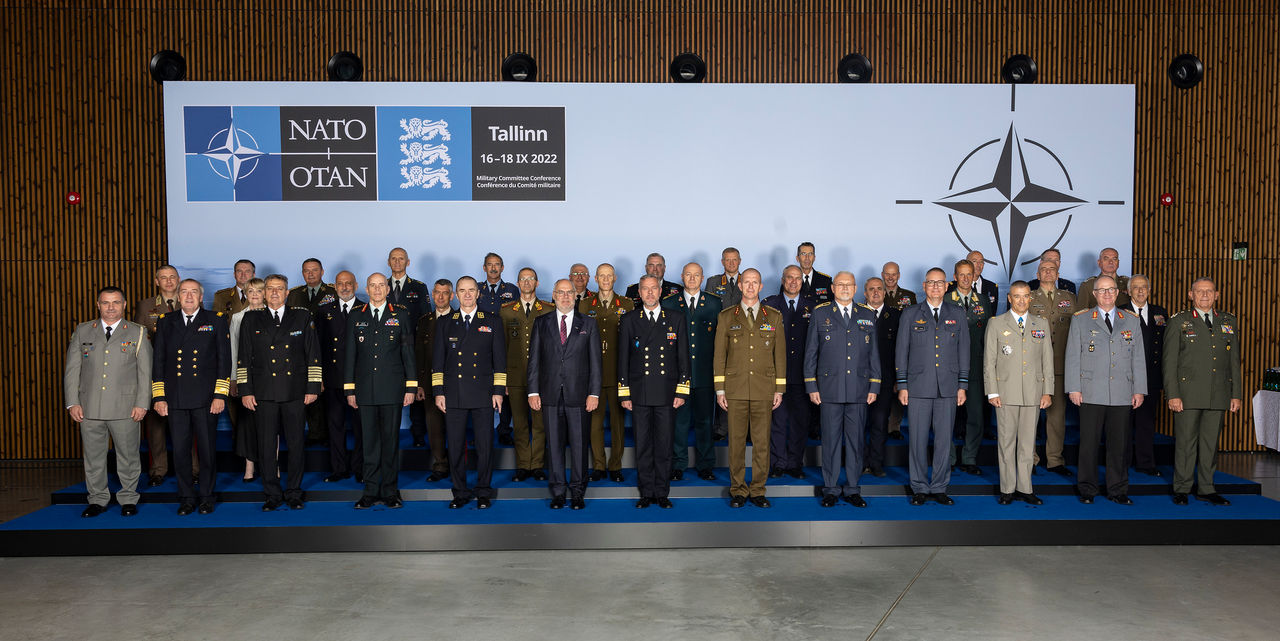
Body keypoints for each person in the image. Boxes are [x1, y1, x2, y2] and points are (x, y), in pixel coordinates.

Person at [64, 286, 152, 517]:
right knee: (93, 458)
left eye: (116, 302)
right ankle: (97, 499)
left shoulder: (137, 332)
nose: (111, 307)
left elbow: (145, 372)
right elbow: (72, 370)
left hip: (126, 407)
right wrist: (72, 402)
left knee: (128, 456)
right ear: (98, 304)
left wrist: (142, 403)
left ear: (124, 305)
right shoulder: (83, 331)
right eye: (105, 302)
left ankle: (128, 498)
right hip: (89, 406)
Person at [237, 274, 321, 511]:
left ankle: (294, 491)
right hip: (264, 392)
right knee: (266, 447)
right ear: (263, 293)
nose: (274, 293)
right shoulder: (251, 319)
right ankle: (272, 493)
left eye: (280, 289)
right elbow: (244, 357)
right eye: (270, 289)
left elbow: (312, 353)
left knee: (295, 445)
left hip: (295, 391)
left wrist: (313, 386)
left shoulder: (302, 317)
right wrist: (245, 390)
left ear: (287, 293)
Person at [151, 278, 231, 515]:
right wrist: (159, 397)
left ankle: (207, 496)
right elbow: (159, 362)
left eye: (193, 292)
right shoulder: (166, 322)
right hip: (175, 398)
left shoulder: (215, 320)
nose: (188, 296)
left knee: (206, 451)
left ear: (200, 296)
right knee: (181, 450)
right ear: (177, 295)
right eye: (183, 292)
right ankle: (186, 497)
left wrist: (220, 394)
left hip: (206, 398)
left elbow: (223, 361)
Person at [1065, 275, 1145, 505]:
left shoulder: (1131, 320)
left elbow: (1138, 358)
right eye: (1102, 290)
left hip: (1122, 391)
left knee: (1119, 445)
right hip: (1090, 390)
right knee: (1089, 444)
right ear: (1094, 294)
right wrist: (1073, 388)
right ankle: (1088, 489)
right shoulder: (1080, 320)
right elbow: (1072, 357)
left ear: (1118, 292)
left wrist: (1139, 389)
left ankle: (1118, 489)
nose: (1107, 294)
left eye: (1111, 290)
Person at [804, 271, 880, 507]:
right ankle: (831, 489)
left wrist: (874, 385)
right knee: (831, 441)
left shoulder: (867, 314)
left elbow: (874, 354)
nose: (845, 288)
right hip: (829, 389)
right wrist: (811, 385)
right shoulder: (821, 313)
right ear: (833, 288)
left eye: (849, 285)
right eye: (840, 284)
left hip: (859, 388)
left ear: (856, 288)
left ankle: (853, 489)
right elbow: (811, 353)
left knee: (856, 442)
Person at [1164, 278, 1242, 506]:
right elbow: (1170, 363)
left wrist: (1235, 394)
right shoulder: (1179, 321)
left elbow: (1234, 362)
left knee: (1210, 444)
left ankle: (1207, 488)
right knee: (1186, 443)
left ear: (1217, 295)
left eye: (1209, 291)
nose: (1205, 295)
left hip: (1218, 393)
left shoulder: (1228, 321)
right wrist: (1173, 394)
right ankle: (1182, 487)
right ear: (1191, 295)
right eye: (1200, 291)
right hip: (1187, 394)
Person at [713, 268, 785, 508]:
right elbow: (719, 357)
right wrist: (720, 389)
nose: (751, 286)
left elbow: (780, 356)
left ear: (761, 286)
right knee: (736, 443)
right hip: (735, 389)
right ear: (740, 286)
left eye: (755, 282)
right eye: (747, 282)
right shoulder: (726, 316)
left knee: (762, 442)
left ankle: (758, 490)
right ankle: (738, 490)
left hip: (764, 388)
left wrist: (779, 389)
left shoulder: (773, 316)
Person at [896, 268, 969, 506]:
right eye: (931, 282)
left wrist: (962, 385)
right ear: (924, 286)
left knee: (944, 441)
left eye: (939, 283)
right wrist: (903, 384)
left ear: (947, 285)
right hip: (917, 386)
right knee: (916, 439)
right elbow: (901, 351)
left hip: (948, 387)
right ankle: (918, 486)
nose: (935, 287)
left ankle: (939, 486)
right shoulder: (910, 313)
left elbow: (964, 351)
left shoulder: (957, 313)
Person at [433, 276, 506, 509]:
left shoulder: (492, 321)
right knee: (454, 446)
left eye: (471, 290)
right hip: (453, 393)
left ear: (478, 293)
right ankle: (460, 492)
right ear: (455, 294)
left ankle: (484, 491)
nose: (467, 294)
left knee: (485, 445)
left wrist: (498, 391)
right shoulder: (446, 322)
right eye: (462, 290)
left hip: (483, 392)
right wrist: (438, 391)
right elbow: (438, 362)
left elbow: (500, 361)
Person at [528, 279, 602, 510]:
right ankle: (558, 491)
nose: (566, 297)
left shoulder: (588, 323)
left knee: (580, 445)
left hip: (580, 395)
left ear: (575, 296)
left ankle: (578, 491)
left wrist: (594, 393)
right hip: (549, 394)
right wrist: (533, 391)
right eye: (561, 292)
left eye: (570, 292)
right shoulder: (541, 323)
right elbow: (534, 361)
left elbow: (596, 363)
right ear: (553, 295)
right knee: (554, 445)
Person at [345, 273, 417, 509]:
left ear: (388, 289)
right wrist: (350, 389)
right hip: (364, 389)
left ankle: (390, 491)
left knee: (390, 441)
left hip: (392, 389)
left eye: (381, 286)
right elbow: (350, 355)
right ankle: (370, 491)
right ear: (367, 289)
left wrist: (411, 386)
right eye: (372, 286)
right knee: (369, 442)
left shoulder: (401, 314)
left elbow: (408, 352)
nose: (377, 289)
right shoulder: (356, 315)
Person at [619, 275, 690, 509]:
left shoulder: (676, 318)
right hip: (639, 394)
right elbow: (623, 360)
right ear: (639, 293)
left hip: (667, 393)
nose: (650, 294)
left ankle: (662, 492)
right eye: (645, 290)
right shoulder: (629, 319)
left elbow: (683, 359)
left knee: (664, 444)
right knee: (643, 445)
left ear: (661, 292)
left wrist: (682, 391)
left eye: (654, 289)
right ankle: (646, 492)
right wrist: (624, 393)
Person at [983, 281, 1052, 505]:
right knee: (1006, 442)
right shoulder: (995, 323)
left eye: (1025, 296)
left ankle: (1025, 487)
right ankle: (1007, 489)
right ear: (1009, 298)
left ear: (1030, 298)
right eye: (1017, 296)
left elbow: (1047, 361)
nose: (1021, 301)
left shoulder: (1041, 323)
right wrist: (992, 391)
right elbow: (989, 361)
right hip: (1005, 392)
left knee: (1027, 444)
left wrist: (1047, 391)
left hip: (1033, 393)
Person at [663, 262, 722, 480]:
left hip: (705, 373)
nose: (692, 278)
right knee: (679, 422)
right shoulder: (669, 303)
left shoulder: (714, 303)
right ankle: (678, 464)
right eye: (688, 274)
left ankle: (705, 464)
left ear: (702, 277)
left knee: (705, 421)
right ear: (681, 276)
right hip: (678, 375)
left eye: (696, 275)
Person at [579, 263, 634, 482]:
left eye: (609, 276)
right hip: (593, 375)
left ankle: (616, 466)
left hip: (618, 372)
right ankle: (599, 466)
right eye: (601, 276)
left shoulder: (627, 304)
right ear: (595, 278)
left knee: (618, 424)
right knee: (595, 424)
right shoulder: (584, 305)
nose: (605, 279)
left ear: (615, 278)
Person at [762, 265, 817, 478]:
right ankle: (778, 463)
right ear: (783, 280)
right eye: (789, 278)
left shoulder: (813, 307)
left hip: (803, 375)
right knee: (777, 421)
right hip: (775, 375)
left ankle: (795, 463)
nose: (793, 282)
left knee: (800, 422)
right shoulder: (769, 305)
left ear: (802, 282)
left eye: (797, 279)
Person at [134, 264, 184, 487]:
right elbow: (138, 341)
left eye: (172, 277)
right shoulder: (146, 306)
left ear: (178, 278)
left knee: (186, 424)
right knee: (156, 425)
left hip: (185, 374)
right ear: (156, 281)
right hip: (156, 372)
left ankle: (191, 470)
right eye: (163, 278)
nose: (169, 281)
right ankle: (158, 470)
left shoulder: (189, 300)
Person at [500, 268, 553, 482]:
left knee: (540, 423)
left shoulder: (548, 309)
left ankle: (537, 464)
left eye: (531, 279)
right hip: (515, 377)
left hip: (542, 377)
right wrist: (501, 379)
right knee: (520, 422)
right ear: (518, 283)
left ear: (537, 283)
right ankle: (523, 465)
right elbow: (501, 347)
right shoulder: (506, 311)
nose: (527, 282)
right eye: (523, 279)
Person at [1027, 259, 1078, 476]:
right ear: (1038, 275)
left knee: (1056, 417)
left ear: (1058, 274)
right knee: (1030, 416)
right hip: (1033, 365)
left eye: (1052, 269)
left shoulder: (1070, 299)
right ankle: (1030, 459)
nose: (1048, 273)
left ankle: (1055, 460)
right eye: (1043, 270)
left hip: (1059, 365)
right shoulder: (1028, 297)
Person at [946, 259, 994, 475]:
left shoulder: (983, 300)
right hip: (948, 367)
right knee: (946, 416)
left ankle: (969, 457)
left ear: (974, 276)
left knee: (975, 415)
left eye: (969, 274)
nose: (965, 278)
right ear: (955, 277)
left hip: (975, 364)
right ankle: (948, 458)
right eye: (961, 274)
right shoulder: (946, 299)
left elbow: (989, 336)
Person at [315, 270, 363, 483]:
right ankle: (339, 469)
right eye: (340, 284)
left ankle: (361, 469)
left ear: (356, 285)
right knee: (335, 427)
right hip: (333, 379)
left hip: (359, 379)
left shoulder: (366, 308)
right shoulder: (324, 311)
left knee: (362, 428)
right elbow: (318, 347)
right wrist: (320, 378)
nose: (344, 287)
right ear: (334, 287)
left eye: (348, 283)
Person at [1122, 274, 1167, 476]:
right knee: (1122, 423)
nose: (1140, 291)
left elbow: (1166, 345)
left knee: (1146, 422)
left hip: (1151, 376)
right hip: (1124, 376)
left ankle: (1145, 463)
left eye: (1144, 288)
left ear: (1149, 290)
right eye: (1136, 288)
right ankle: (1122, 462)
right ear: (1129, 291)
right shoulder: (1120, 311)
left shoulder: (1160, 312)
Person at [387, 247, 431, 446]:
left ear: (408, 262)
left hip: (412, 346)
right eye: (394, 259)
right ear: (389, 262)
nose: (397, 262)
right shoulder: (380, 285)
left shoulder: (419, 287)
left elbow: (425, 318)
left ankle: (418, 433)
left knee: (415, 388)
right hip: (387, 349)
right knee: (390, 389)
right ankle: (389, 433)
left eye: (401, 259)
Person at [415, 279, 456, 481]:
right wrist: (419, 385)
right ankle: (440, 466)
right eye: (437, 292)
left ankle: (458, 466)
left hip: (457, 384)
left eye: (445, 293)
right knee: (434, 429)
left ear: (452, 295)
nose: (440, 297)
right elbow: (419, 354)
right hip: (431, 384)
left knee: (456, 428)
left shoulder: (460, 318)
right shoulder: (424, 321)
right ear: (432, 294)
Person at [228, 277, 266, 482]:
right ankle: (249, 467)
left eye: (258, 291)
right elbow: (234, 350)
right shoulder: (237, 318)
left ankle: (273, 465)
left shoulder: (274, 315)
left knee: (271, 424)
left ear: (265, 294)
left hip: (269, 378)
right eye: (250, 291)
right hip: (247, 378)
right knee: (248, 424)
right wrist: (234, 379)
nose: (254, 295)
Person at [862, 277, 900, 477]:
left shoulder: (896, 316)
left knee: (879, 423)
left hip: (885, 381)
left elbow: (900, 351)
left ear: (885, 293)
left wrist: (898, 380)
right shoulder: (855, 314)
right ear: (865, 293)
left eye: (879, 289)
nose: (875, 292)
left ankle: (876, 463)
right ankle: (859, 463)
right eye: (871, 289)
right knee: (858, 425)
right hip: (858, 380)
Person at [880, 261, 915, 439]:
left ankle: (894, 427)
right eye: (887, 274)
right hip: (881, 348)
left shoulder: (909, 296)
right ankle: (878, 424)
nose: (891, 277)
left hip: (903, 347)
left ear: (899, 275)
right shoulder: (875, 293)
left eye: (894, 274)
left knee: (899, 386)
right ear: (882, 275)